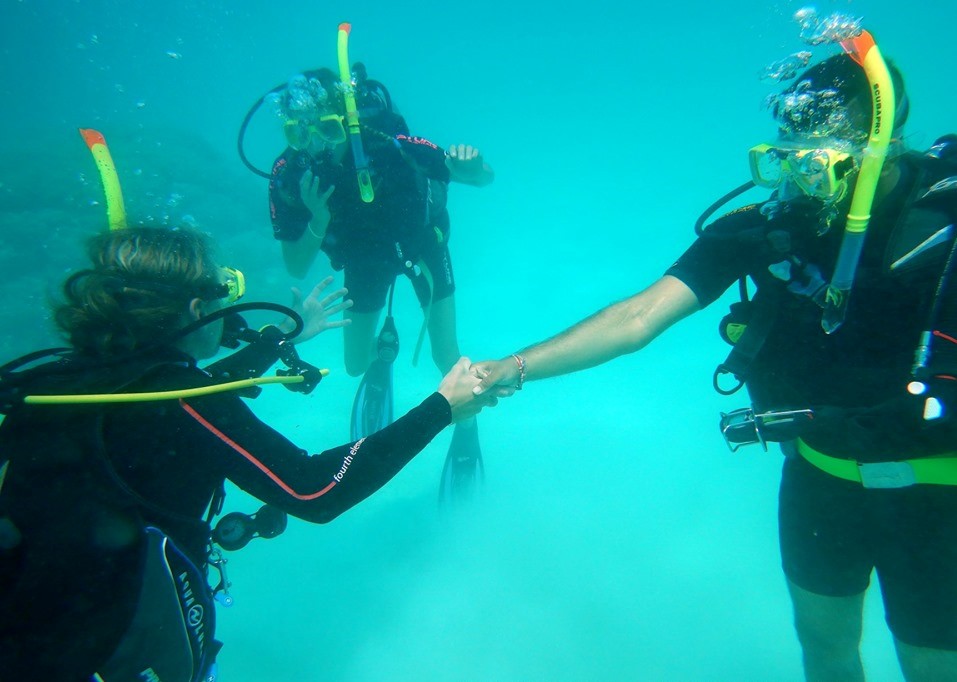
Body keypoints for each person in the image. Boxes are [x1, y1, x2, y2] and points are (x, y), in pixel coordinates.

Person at [473, 31, 957, 682]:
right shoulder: (763, 231)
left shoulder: (943, 217)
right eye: (791, 147)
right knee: (823, 642)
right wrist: (516, 366)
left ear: (882, 136)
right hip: (820, 478)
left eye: (819, 145)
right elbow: (637, 316)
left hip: (937, 494)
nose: (802, 169)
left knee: (932, 666)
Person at [0, 226, 491, 681]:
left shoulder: (48, 384)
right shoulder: (183, 400)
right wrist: (442, 407)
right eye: (225, 294)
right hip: (101, 649)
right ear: (196, 310)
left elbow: (177, 399)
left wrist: (282, 340)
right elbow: (314, 489)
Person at [265, 62, 494, 502]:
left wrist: (474, 163)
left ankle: (466, 428)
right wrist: (318, 217)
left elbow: (479, 177)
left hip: (421, 247)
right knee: (355, 364)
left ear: (346, 120)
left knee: (445, 353)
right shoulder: (289, 175)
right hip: (364, 262)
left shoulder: (386, 141)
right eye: (299, 134)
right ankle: (384, 354)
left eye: (327, 130)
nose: (314, 147)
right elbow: (295, 265)